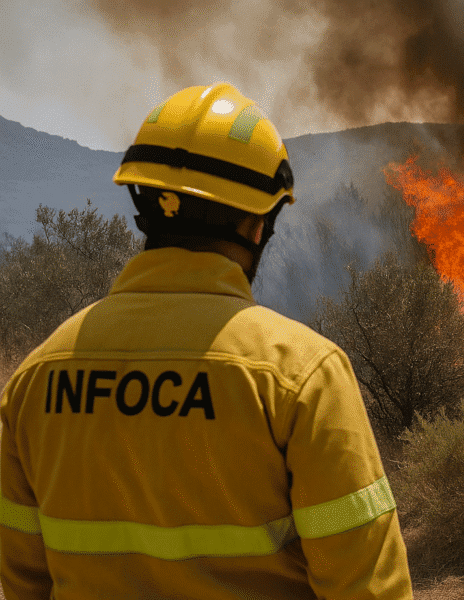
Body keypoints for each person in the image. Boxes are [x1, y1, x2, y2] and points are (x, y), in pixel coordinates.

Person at [0, 82, 413, 599]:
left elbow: (23, 584)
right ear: (256, 222)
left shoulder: (37, 376)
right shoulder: (301, 375)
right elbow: (367, 588)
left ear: (144, 203)